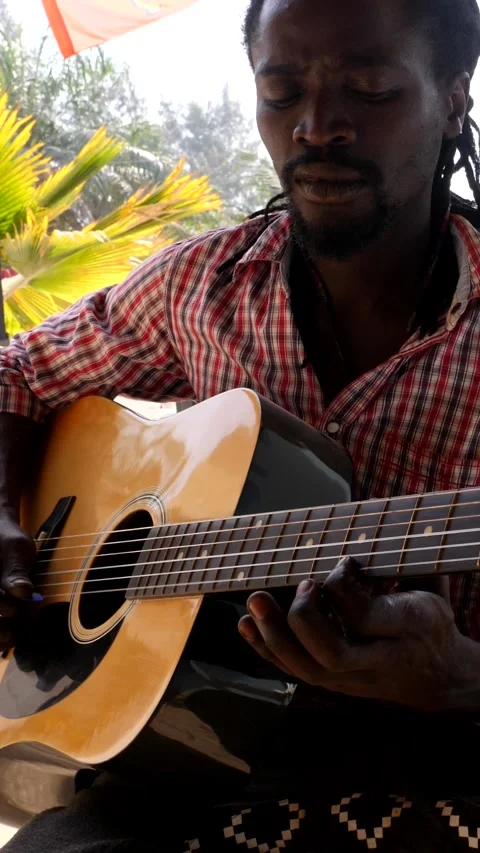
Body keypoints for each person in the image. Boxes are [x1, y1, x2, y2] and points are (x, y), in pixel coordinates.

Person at [2, 0, 480, 848]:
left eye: (368, 90)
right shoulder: (202, 286)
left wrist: (457, 677)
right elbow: (13, 379)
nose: (316, 126)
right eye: (281, 89)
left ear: (453, 95)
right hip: (185, 756)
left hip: (446, 763)